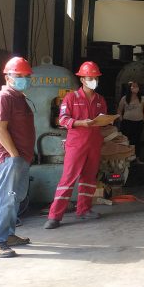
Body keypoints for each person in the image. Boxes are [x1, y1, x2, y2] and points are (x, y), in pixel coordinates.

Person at [44, 61, 111, 229]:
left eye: (96, 78)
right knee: (68, 178)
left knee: (89, 178)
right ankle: (54, 216)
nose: (94, 81)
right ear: (82, 79)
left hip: (94, 143)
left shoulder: (100, 100)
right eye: (90, 78)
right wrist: (81, 123)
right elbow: (62, 119)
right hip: (76, 144)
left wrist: (108, 121)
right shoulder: (71, 98)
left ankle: (84, 209)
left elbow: (103, 120)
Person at [0, 57, 35, 258]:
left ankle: (8, 235)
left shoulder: (19, 97)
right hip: (8, 158)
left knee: (14, 199)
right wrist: (14, 155)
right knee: (4, 199)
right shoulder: (4, 98)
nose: (23, 79)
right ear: (8, 77)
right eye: (19, 75)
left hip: (20, 158)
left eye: (26, 76)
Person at [117, 81, 144, 163]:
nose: (135, 88)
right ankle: (125, 159)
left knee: (137, 141)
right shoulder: (124, 98)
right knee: (126, 140)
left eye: (137, 86)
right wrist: (122, 120)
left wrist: (143, 121)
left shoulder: (142, 98)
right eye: (133, 86)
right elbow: (119, 110)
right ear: (129, 88)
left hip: (138, 123)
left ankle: (137, 158)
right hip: (126, 123)